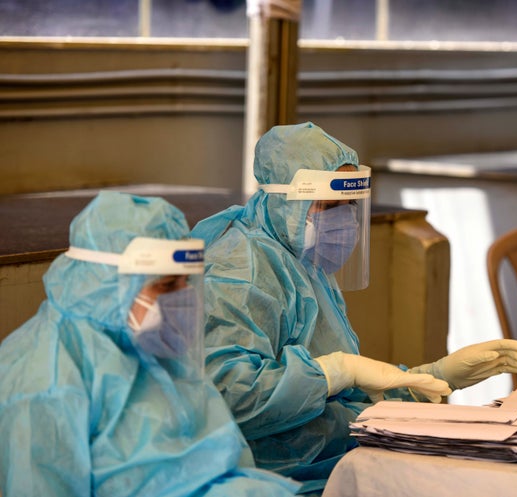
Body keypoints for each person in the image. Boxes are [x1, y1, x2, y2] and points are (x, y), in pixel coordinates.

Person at [191, 121, 517, 494]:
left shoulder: (303, 264)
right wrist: (336, 371)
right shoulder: (242, 270)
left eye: (350, 206)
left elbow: (341, 395)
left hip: (329, 462)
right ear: (286, 199)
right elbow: (231, 399)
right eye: (329, 206)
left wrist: (429, 379)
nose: (343, 220)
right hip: (273, 478)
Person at [0, 191, 300, 497]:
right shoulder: (45, 378)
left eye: (186, 283)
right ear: (108, 282)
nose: (183, 299)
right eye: (168, 286)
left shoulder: (148, 342)